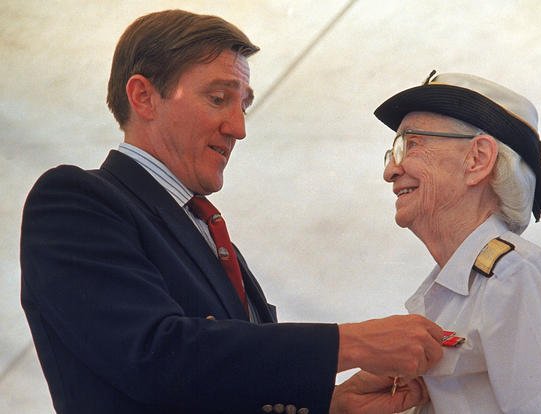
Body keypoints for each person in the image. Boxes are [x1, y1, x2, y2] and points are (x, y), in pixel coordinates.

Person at [20, 10, 445, 414]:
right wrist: (349, 343)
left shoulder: (203, 228)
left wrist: (329, 404)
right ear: (143, 96)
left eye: (244, 105)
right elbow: (155, 354)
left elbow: (215, 378)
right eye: (218, 98)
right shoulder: (75, 200)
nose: (239, 128)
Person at [376, 71, 541, 413]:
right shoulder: (457, 288)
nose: (390, 171)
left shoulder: (511, 275)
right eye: (392, 153)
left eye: (411, 144)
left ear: (476, 160)